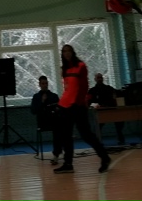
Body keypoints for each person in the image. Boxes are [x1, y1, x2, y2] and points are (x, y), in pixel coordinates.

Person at [54, 44, 111, 174]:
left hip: (78, 106)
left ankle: (105, 157)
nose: (67, 53)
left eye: (69, 51)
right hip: (65, 106)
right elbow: (67, 89)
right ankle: (68, 164)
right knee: (66, 135)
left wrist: (78, 102)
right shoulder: (64, 69)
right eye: (64, 51)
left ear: (72, 52)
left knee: (86, 135)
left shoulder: (81, 66)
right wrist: (61, 104)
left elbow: (84, 87)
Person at [30, 75, 62, 165]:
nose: (45, 85)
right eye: (43, 84)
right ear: (40, 85)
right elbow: (33, 111)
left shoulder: (53, 96)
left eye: (46, 83)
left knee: (59, 127)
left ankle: (56, 154)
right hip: (42, 122)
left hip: (53, 120)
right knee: (57, 127)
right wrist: (42, 102)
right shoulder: (36, 97)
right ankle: (58, 151)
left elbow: (59, 108)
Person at [88, 73, 125, 145]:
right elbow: (89, 102)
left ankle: (120, 138)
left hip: (111, 110)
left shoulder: (108, 88)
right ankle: (97, 140)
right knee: (97, 125)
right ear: (95, 79)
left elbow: (118, 93)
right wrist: (95, 105)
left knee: (120, 120)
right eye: (98, 78)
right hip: (100, 111)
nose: (100, 79)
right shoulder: (92, 90)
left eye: (101, 77)